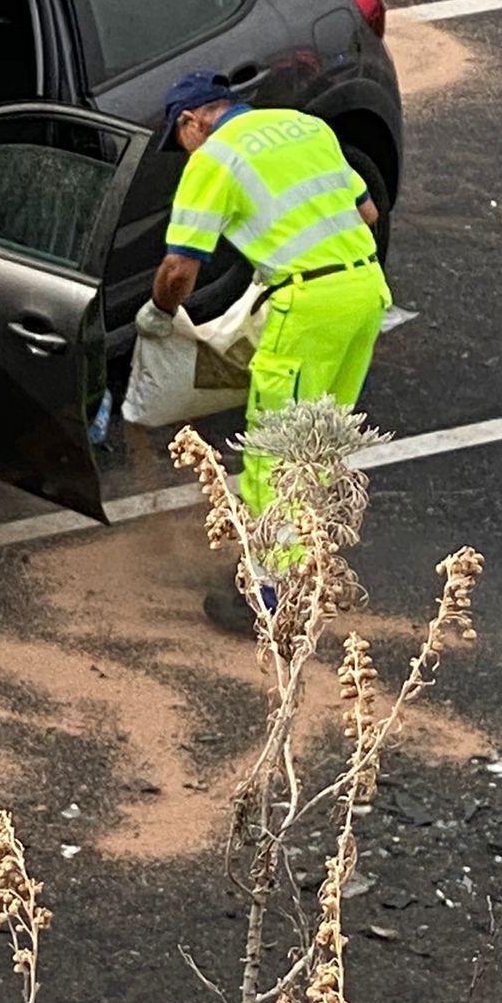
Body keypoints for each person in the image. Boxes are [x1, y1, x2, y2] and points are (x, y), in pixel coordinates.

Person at [135, 70, 390, 631]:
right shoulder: (305, 127)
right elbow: (368, 214)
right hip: (366, 292)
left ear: (191, 121)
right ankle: (308, 564)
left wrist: (158, 314)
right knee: (319, 445)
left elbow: (180, 268)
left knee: (275, 452)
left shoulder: (213, 158)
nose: (183, 153)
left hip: (308, 307)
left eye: (179, 142)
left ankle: (272, 597)